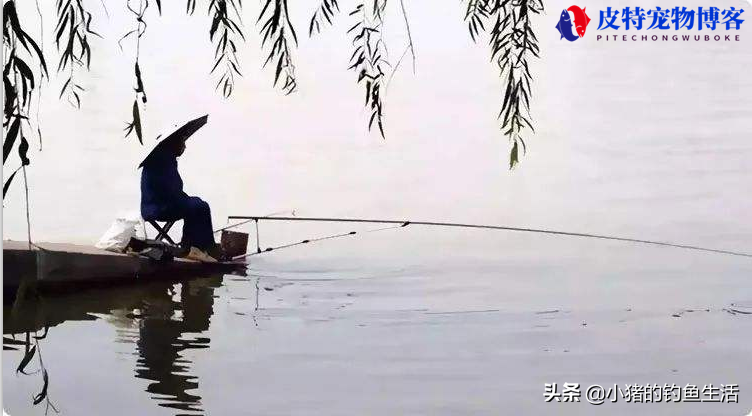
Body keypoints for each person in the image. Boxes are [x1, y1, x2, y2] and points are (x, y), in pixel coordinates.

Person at [140, 139, 220, 262]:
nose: (184, 147)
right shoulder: (164, 161)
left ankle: (195, 247)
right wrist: (187, 199)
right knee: (200, 206)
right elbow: (172, 190)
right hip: (159, 208)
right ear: (174, 145)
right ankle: (194, 248)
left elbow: (172, 190)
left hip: (153, 206)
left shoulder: (161, 159)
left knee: (196, 204)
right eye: (182, 143)